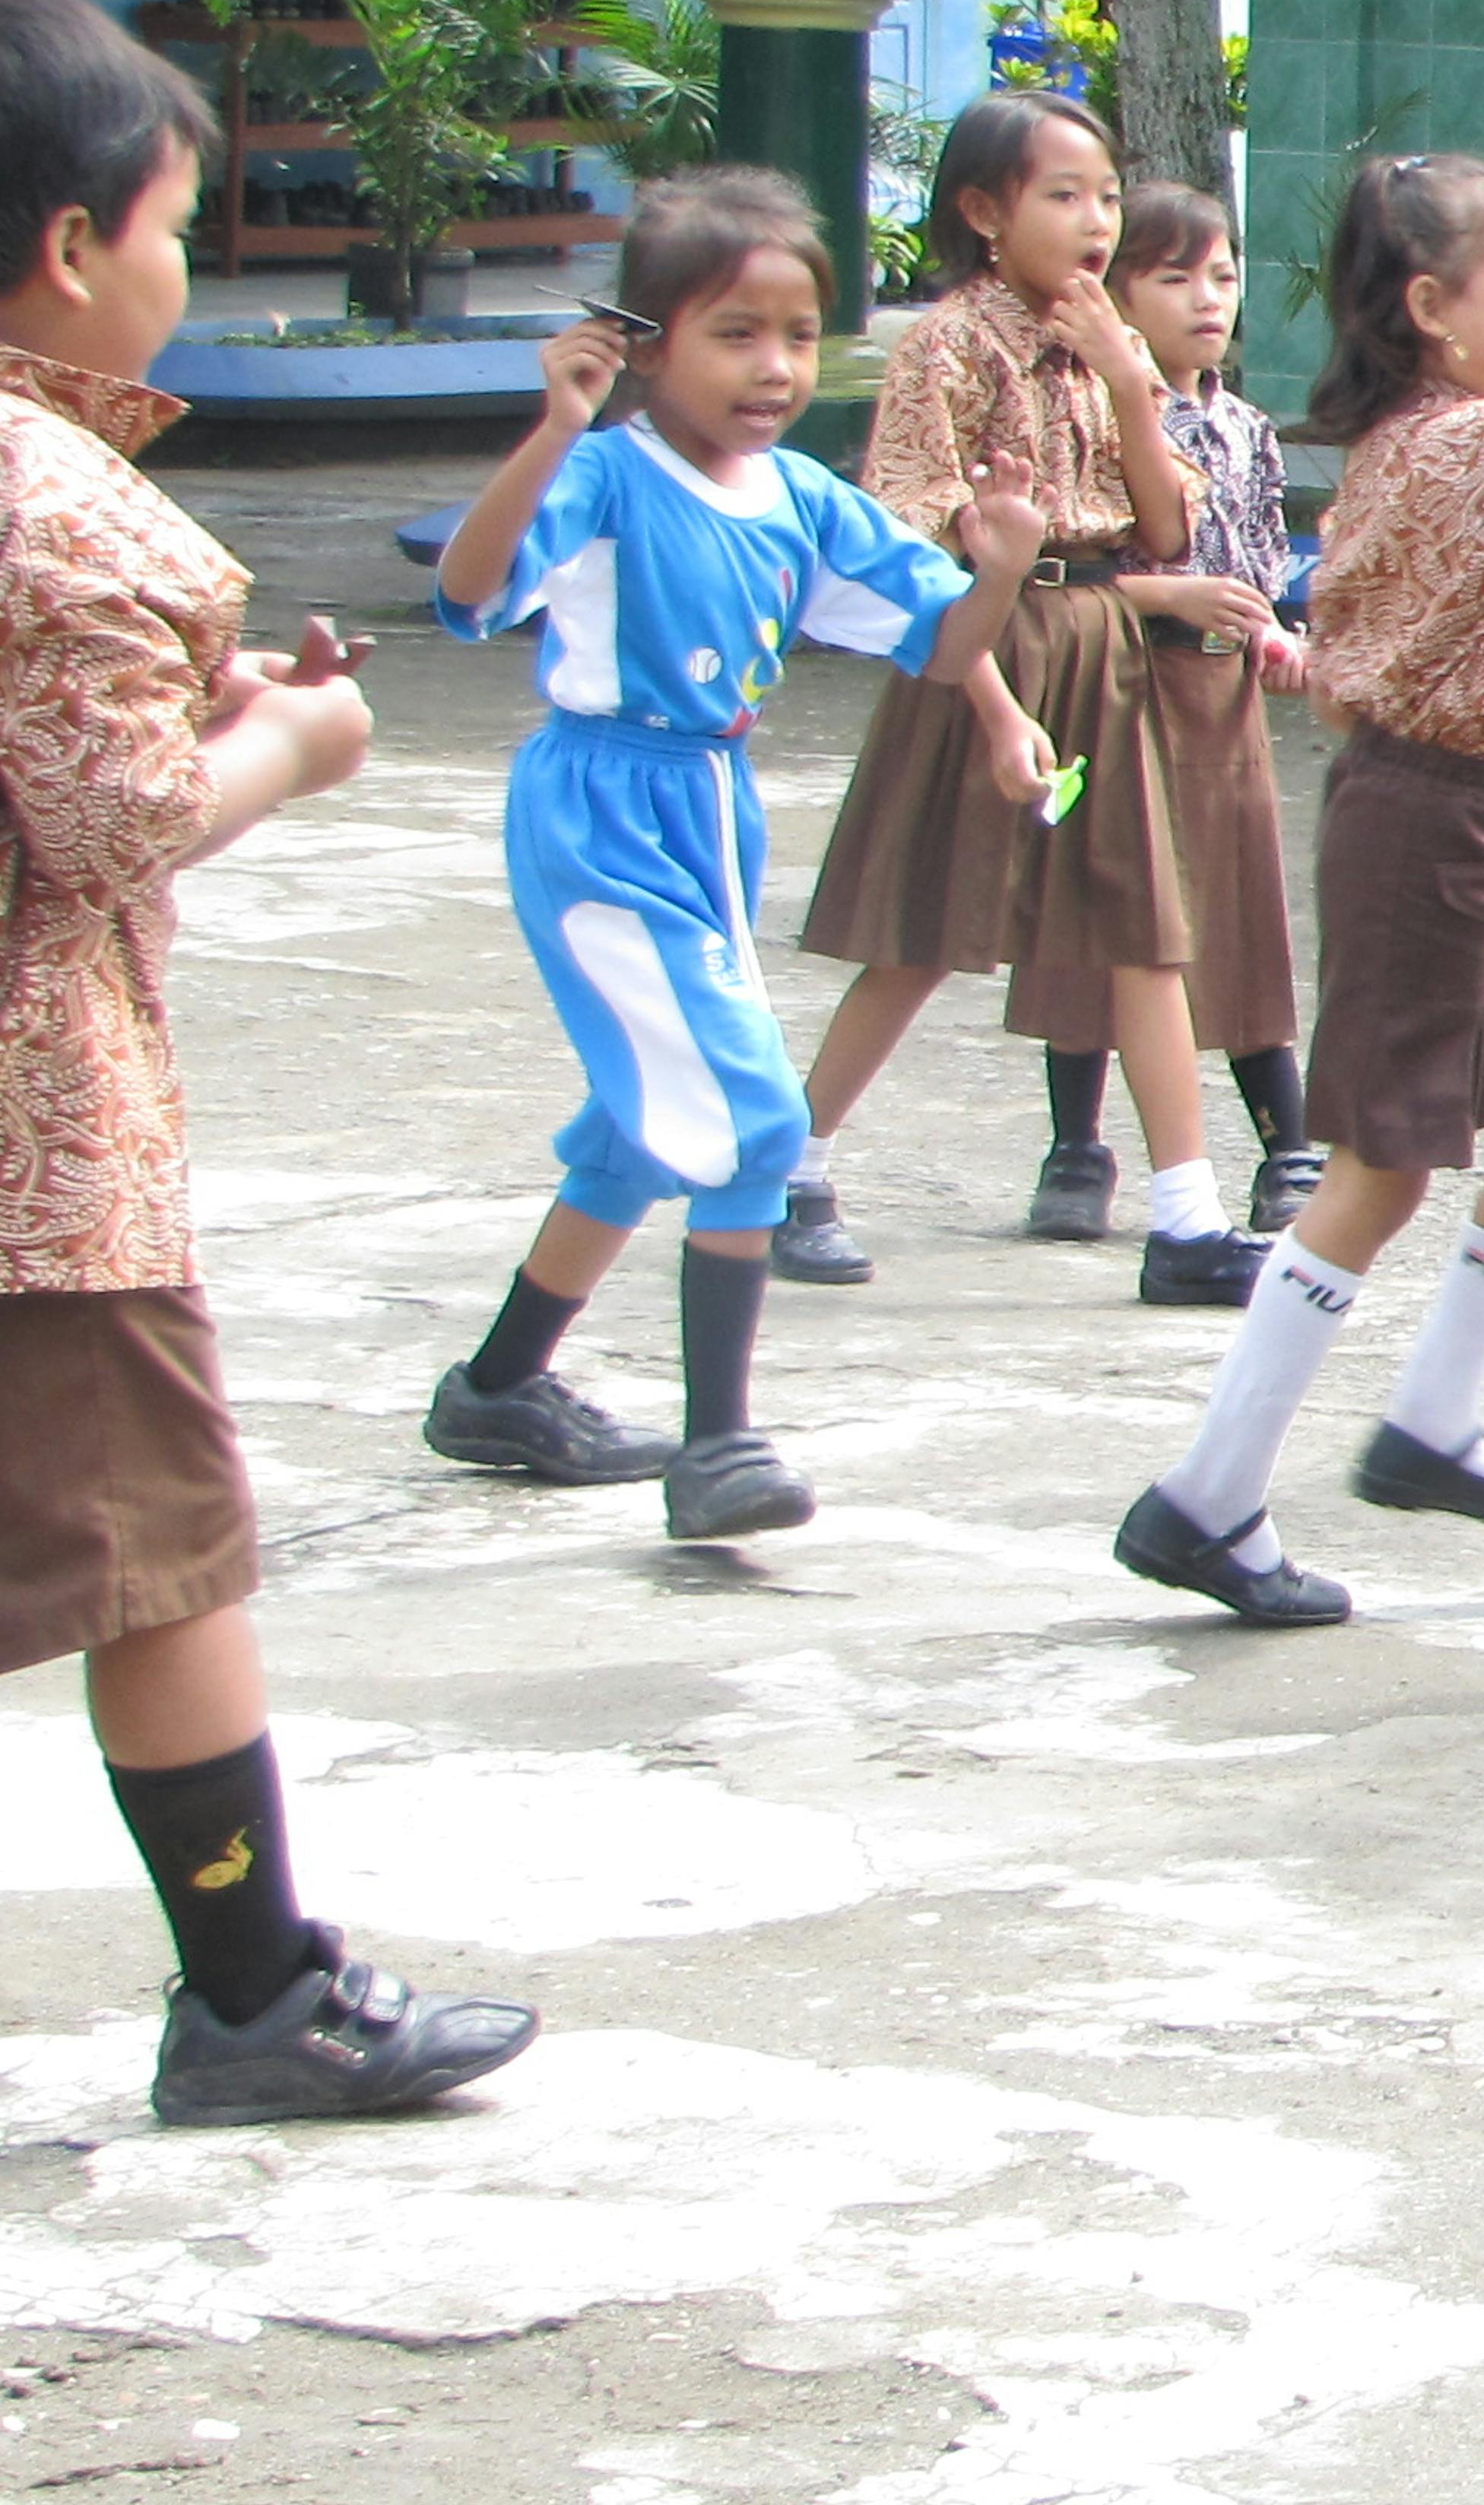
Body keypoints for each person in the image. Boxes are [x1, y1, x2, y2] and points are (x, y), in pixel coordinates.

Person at [0, 0, 536, 2122]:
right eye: (173, 231)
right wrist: (300, 742)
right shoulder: (68, 512)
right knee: (166, 1550)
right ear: (70, 249)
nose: (179, 273)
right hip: (45, 1159)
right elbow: (118, 821)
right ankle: (254, 1989)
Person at [417, 169, 1054, 1541]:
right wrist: (551, 428)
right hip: (598, 817)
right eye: (735, 333)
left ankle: (496, 1387)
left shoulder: (800, 497)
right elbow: (469, 596)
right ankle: (720, 1444)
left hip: (707, 810)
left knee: (641, 1132)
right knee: (751, 1119)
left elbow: (942, 647)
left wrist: (999, 568)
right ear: (643, 343)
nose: (776, 366)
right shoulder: (601, 475)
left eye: (799, 332)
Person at [1115, 149, 1484, 1623]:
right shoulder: (1469, 446)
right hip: (1425, 836)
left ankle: (1432, 1422)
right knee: (1379, 1168)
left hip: (1452, 814)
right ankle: (1208, 1497)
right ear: (1436, 309)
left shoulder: (1426, 445)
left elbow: (1399, 648)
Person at [778, 89, 1248, 1303]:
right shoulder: (948, 344)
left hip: (1098, 632)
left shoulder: (1108, 342)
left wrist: (1129, 380)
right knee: (922, 931)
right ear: (984, 212)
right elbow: (914, 551)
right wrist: (993, 706)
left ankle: (1187, 1221)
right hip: (985, 639)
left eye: (1106, 195)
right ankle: (789, 1173)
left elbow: (1159, 524)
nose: (1097, 222)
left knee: (1147, 932)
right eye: (1063, 195)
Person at [1004, 183, 1321, 1246]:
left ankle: (1289, 1145)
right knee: (1101, 913)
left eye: (1223, 274)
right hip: (1115, 677)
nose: (1206, 298)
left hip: (1219, 691)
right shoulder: (1084, 416)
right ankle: (1075, 1144)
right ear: (1115, 294)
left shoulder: (1245, 427)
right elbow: (1073, 571)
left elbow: (1253, 570)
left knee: (1236, 907)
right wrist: (1169, 596)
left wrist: (1273, 640)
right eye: (1173, 276)